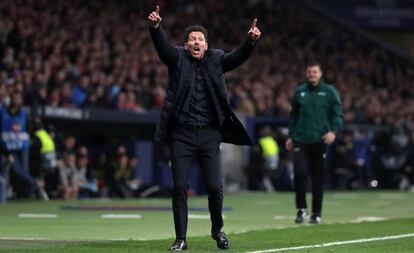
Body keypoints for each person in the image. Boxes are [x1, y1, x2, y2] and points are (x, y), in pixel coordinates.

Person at [148, 5, 261, 251]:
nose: (196, 42)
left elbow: (237, 57)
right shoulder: (177, 58)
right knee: (179, 187)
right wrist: (156, 28)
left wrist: (250, 42)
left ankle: (217, 230)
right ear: (186, 45)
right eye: (192, 39)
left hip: (210, 133)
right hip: (182, 133)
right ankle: (181, 239)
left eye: (201, 39)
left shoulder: (217, 58)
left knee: (214, 187)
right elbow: (163, 48)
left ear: (206, 45)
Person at [285, 62, 343, 225]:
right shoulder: (299, 92)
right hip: (300, 139)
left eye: (315, 72)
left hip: (320, 140)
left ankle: (316, 213)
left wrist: (333, 131)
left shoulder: (330, 92)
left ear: (321, 73)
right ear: (306, 73)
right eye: (309, 72)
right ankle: (301, 209)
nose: (312, 74)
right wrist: (291, 135)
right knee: (299, 171)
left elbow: (337, 114)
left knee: (318, 177)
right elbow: (293, 116)